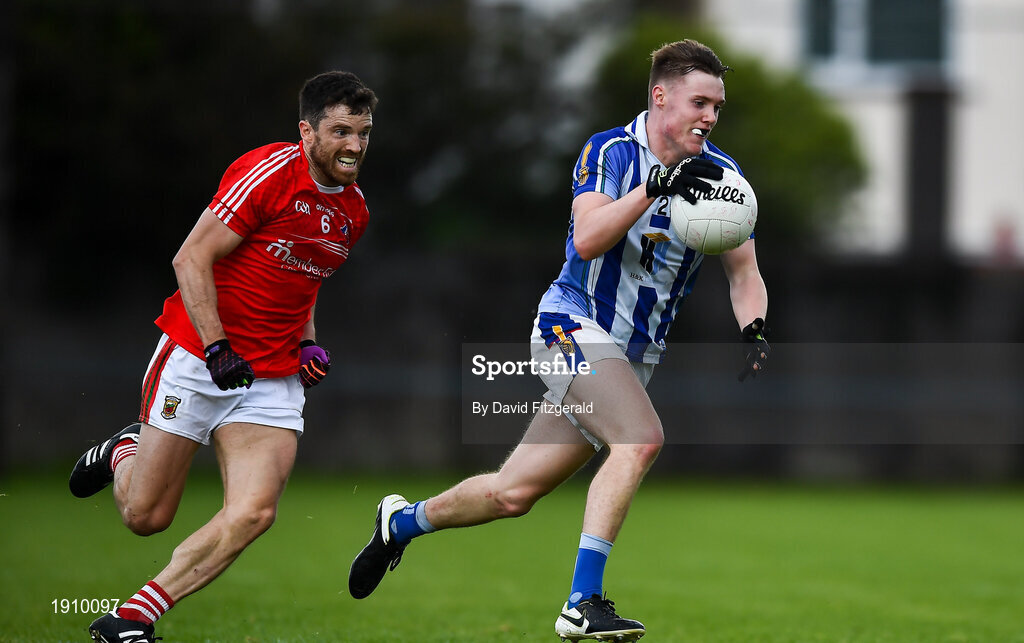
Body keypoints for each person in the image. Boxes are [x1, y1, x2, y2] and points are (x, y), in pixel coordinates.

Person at [348, 39, 769, 641]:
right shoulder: (610, 151)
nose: (709, 117)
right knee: (641, 440)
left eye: (717, 107)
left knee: (511, 493)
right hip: (569, 326)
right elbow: (590, 237)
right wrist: (659, 187)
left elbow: (744, 270)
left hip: (630, 357)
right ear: (660, 96)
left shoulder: (724, 178)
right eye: (699, 102)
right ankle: (583, 602)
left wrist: (753, 328)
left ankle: (401, 524)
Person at [68, 71, 377, 643]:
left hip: (272, 377)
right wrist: (217, 348)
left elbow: (300, 280)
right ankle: (123, 451)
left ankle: (132, 617)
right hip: (197, 355)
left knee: (255, 513)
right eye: (341, 131)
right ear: (307, 132)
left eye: (363, 132)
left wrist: (307, 342)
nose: (354, 146)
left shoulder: (353, 212)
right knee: (145, 518)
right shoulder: (267, 174)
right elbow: (191, 259)